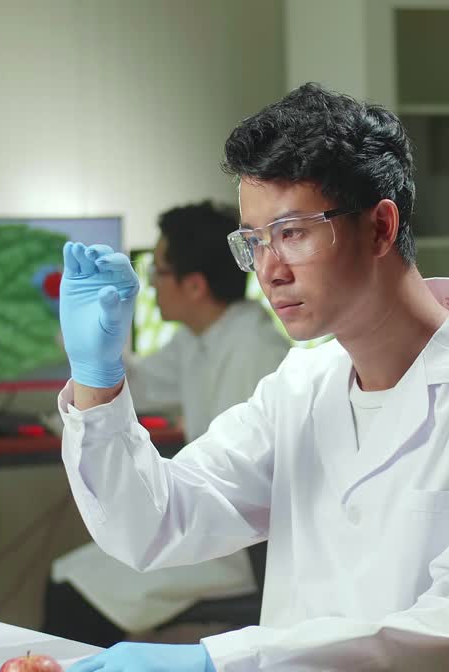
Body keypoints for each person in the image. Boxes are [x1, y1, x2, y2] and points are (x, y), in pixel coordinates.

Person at [54, 83, 449, 672]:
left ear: (380, 227)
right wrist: (97, 379)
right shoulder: (301, 386)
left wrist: (222, 664)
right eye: (254, 240)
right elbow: (154, 524)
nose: (269, 270)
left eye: (291, 233)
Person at [46, 201, 290, 643]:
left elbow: (237, 488)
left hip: (237, 546)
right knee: (70, 577)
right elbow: (143, 383)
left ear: (194, 285)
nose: (152, 285)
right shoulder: (200, 340)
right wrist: (92, 353)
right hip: (198, 521)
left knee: (76, 593)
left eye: (157, 272)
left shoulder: (257, 352)